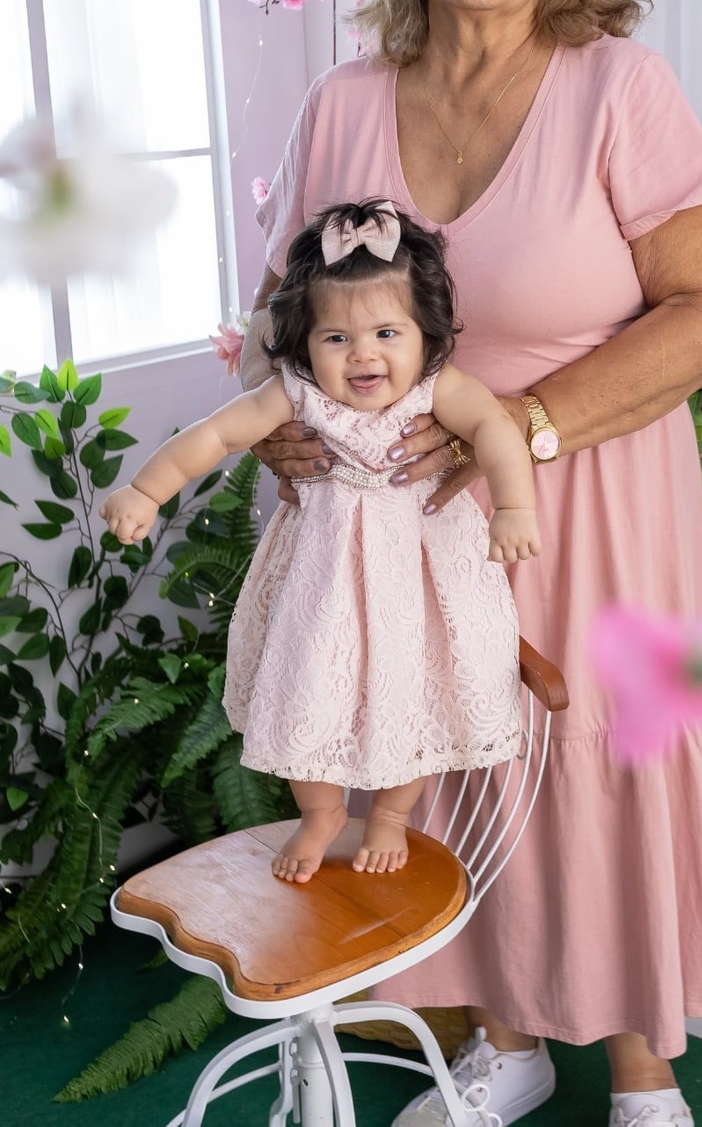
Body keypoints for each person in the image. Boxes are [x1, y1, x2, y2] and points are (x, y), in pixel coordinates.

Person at [241, 0, 702, 1127]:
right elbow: (280, 310)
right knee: (440, 765)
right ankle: (506, 1048)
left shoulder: (618, 89)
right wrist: (279, 426)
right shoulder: (343, 102)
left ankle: (647, 1087)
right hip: (393, 533)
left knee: (597, 768)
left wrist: (521, 431)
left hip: (588, 501)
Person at [101, 196, 538, 884]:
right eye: (336, 338)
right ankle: (322, 811)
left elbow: (494, 429)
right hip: (322, 582)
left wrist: (513, 505)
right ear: (304, 342)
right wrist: (144, 490)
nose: (363, 354)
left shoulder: (435, 389)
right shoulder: (297, 394)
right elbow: (215, 435)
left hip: (418, 581)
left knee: (418, 689)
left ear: (425, 333)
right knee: (306, 689)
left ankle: (391, 813)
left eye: (387, 332)